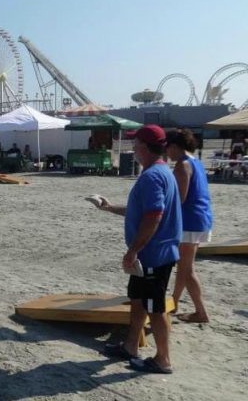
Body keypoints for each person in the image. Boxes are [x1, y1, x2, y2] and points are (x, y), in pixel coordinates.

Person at [95, 125, 181, 374]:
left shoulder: (152, 176)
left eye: (135, 143)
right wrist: (109, 207)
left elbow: (154, 216)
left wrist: (133, 250)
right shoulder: (162, 171)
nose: (133, 148)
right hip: (150, 254)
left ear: (143, 146)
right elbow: (142, 212)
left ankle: (163, 359)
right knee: (137, 299)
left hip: (154, 255)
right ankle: (130, 345)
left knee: (155, 307)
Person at [166, 129, 213, 323]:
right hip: (201, 218)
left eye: (167, 148)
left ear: (174, 146)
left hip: (189, 221)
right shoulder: (196, 162)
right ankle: (174, 302)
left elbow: (180, 198)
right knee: (184, 267)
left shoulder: (182, 165)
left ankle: (201, 312)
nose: (166, 153)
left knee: (187, 269)